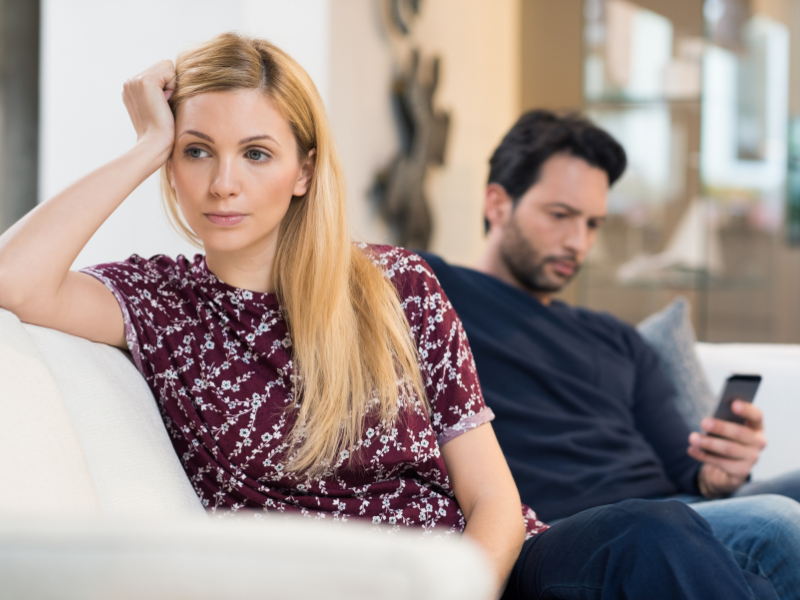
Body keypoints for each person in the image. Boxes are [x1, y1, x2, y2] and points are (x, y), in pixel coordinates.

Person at [0, 35, 776, 600]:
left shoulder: (394, 285)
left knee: (652, 534)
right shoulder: (160, 304)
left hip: (483, 575)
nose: (223, 184)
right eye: (198, 151)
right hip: (348, 585)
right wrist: (146, 145)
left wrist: (464, 591)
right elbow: (15, 279)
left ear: (305, 170)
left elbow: (494, 501)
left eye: (258, 153)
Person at [418, 109, 800, 600]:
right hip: (572, 530)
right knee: (772, 522)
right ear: (497, 204)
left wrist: (720, 468)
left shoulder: (618, 338)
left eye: (593, 223)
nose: (578, 242)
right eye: (560, 215)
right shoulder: (431, 293)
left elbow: (688, 470)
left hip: (683, 514)